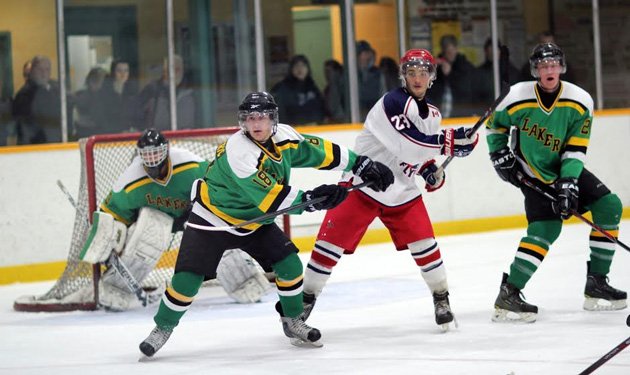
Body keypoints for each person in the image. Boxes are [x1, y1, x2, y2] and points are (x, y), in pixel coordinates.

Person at [138, 91, 394, 357]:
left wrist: (360, 163)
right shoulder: (238, 152)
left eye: (262, 116)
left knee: (290, 265)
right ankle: (162, 328)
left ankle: (293, 320)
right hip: (213, 218)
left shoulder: (284, 136)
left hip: (254, 221)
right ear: (243, 122)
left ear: (273, 119)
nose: (256, 123)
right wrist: (312, 200)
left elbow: (316, 150)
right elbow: (270, 198)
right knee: (187, 281)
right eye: (250, 118)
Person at [301, 49, 479, 331]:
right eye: (412, 73)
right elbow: (407, 145)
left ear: (431, 77)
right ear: (403, 76)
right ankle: (304, 301)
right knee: (328, 247)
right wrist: (451, 141)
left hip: (402, 191)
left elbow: (419, 153)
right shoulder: (390, 102)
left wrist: (429, 170)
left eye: (423, 73)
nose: (417, 78)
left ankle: (441, 299)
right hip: (363, 186)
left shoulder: (432, 113)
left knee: (426, 246)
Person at [486, 43, 626, 323]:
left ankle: (596, 283)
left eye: (553, 65)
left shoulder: (580, 100)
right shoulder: (515, 96)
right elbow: (494, 125)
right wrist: (498, 153)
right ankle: (509, 293)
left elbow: (575, 148)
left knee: (609, 206)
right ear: (535, 70)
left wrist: (569, 182)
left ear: (561, 67)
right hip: (531, 172)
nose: (548, 70)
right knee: (545, 229)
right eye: (543, 66)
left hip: (564, 167)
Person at [80, 128, 271, 311]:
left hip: (196, 210)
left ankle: (245, 281)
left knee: (215, 234)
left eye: (156, 153)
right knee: (148, 238)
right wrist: (110, 236)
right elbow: (113, 212)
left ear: (167, 150)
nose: (152, 160)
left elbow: (219, 185)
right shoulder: (131, 180)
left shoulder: (190, 165)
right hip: (157, 219)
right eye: (147, 155)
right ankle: (115, 289)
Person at [10, 55, 62, 144]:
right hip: (34, 146)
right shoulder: (24, 95)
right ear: (32, 71)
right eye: (40, 69)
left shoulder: (55, 89)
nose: (43, 73)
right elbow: (26, 127)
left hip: (55, 143)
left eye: (47, 70)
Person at [138, 55, 195, 131]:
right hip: (158, 139)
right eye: (171, 69)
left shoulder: (192, 90)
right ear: (165, 71)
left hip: (188, 140)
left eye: (178, 69)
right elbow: (138, 114)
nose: (175, 72)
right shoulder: (151, 90)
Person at [427, 34, 474, 118]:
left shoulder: (465, 66)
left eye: (451, 52)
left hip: (460, 115)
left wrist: (450, 74)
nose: (448, 55)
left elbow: (466, 90)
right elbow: (429, 91)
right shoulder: (436, 66)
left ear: (456, 49)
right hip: (438, 115)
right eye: (446, 52)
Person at [270, 54, 325, 125]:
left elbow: (320, 108)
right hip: (292, 130)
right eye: (297, 66)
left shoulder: (312, 86)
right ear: (291, 69)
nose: (300, 69)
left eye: (303, 66)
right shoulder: (282, 88)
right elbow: (280, 113)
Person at [472, 38, 519, 107]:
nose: (492, 54)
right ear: (486, 52)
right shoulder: (480, 72)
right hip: (485, 109)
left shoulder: (509, 70)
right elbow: (476, 95)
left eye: (494, 51)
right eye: (490, 53)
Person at [99, 58, 140, 134]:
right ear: (113, 72)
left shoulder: (132, 93)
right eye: (119, 70)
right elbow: (101, 119)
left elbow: (137, 117)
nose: (123, 74)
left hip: (129, 137)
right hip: (109, 136)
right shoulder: (104, 94)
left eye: (126, 70)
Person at [72, 67, 107, 139]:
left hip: (102, 134)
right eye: (96, 81)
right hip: (84, 134)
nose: (99, 84)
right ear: (90, 81)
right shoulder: (81, 96)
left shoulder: (107, 98)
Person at [356, 40, 386, 119]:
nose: (368, 56)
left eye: (368, 53)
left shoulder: (377, 74)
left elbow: (383, 96)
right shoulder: (350, 75)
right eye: (365, 54)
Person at [322, 59, 346, 123]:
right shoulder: (327, 89)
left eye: (329, 71)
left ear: (337, 72)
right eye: (325, 72)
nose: (326, 74)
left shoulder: (347, 88)